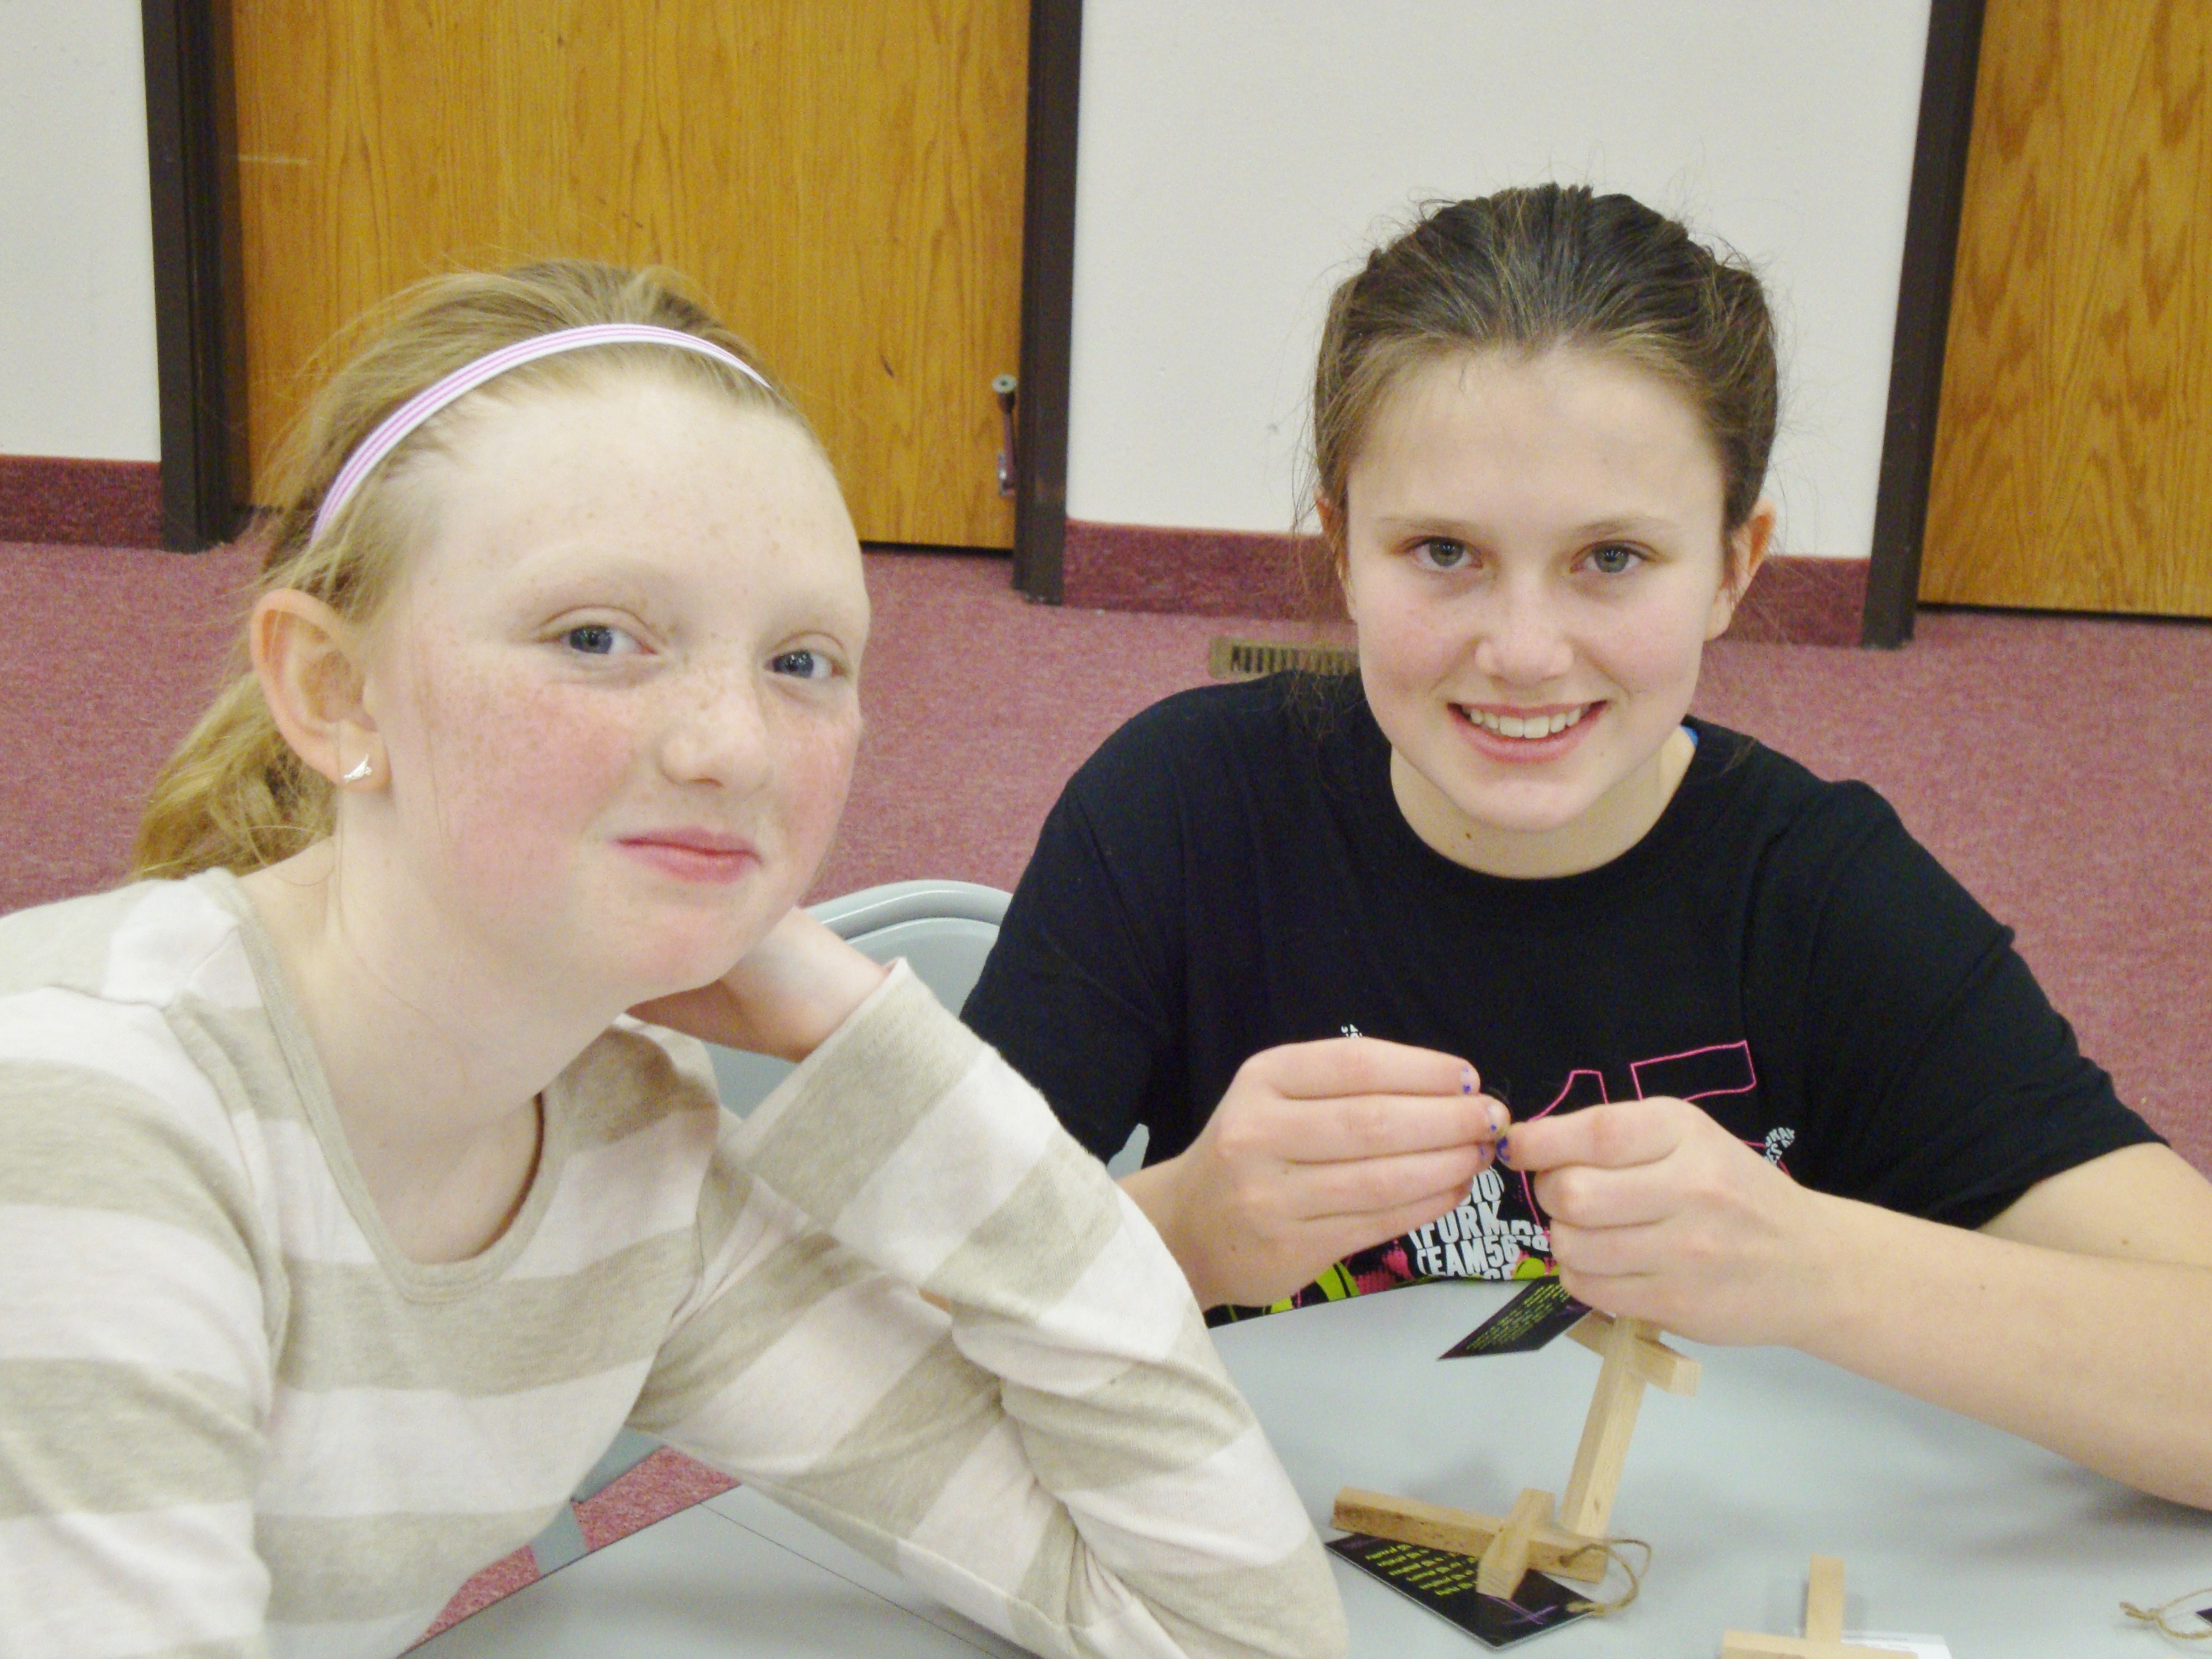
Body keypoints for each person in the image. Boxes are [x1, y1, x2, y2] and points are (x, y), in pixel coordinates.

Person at [0, 262, 1345, 1657]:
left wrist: (874, 1042)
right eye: (597, 638)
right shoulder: (89, 1121)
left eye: (801, 662)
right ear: (334, 690)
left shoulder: (621, 1146)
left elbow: (1229, 1628)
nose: (733, 748)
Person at [962, 186, 2212, 1509]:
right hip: (1241, 1552)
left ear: (1732, 567)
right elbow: (870, 1322)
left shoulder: (1818, 895)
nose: (1521, 652)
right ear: (1339, 548)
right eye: (1441, 551)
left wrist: (1814, 1266)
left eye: (1610, 559)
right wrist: (1179, 1230)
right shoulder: (1180, 813)